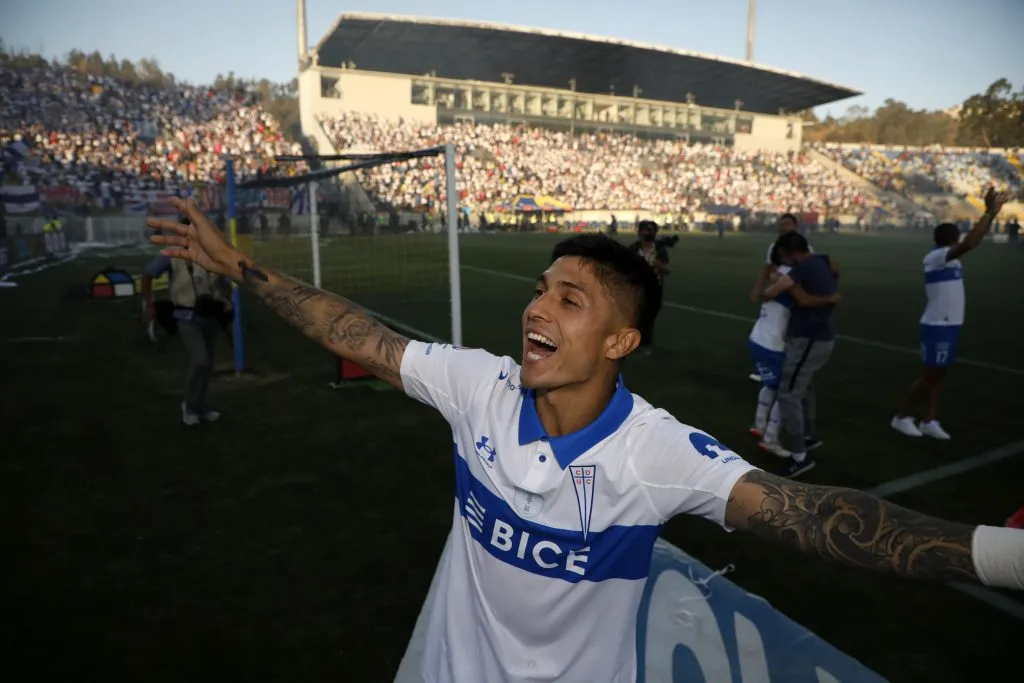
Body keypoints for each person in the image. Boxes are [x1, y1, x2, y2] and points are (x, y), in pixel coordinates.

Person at [149, 198, 1023, 683]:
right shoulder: (479, 387)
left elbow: (812, 513)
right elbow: (355, 332)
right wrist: (234, 265)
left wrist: (999, 555)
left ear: (619, 343)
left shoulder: (654, 451)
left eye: (570, 299)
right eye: (541, 288)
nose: (536, 307)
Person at [891, 187, 1009, 440]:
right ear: (953, 239)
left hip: (950, 323)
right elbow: (970, 243)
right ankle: (902, 417)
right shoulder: (936, 257)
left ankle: (929, 420)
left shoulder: (951, 260)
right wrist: (989, 213)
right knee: (930, 375)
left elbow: (968, 244)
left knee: (940, 374)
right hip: (937, 324)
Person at [758, 232, 840, 477]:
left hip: (809, 339)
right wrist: (830, 297)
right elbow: (835, 270)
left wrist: (784, 282)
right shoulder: (819, 261)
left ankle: (799, 456)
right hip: (815, 337)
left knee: (788, 394)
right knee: (804, 387)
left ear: (791, 253)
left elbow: (772, 294)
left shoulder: (802, 268)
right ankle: (809, 434)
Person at [142, 215, 233, 426]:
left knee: (208, 364)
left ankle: (201, 405)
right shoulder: (171, 255)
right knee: (200, 359)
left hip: (211, 314)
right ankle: (190, 405)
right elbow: (147, 275)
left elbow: (224, 280)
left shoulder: (212, 254)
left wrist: (226, 299)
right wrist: (149, 304)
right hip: (186, 315)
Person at [746, 213, 810, 382]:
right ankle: (766, 368)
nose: (784, 227)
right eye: (782, 224)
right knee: (773, 326)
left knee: (781, 329)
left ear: (795, 226)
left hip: (789, 290)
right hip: (780, 290)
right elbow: (767, 269)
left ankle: (777, 367)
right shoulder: (773, 247)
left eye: (788, 224)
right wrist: (757, 289)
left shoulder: (806, 248)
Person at [629, 220, 669, 355]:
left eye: (652, 230)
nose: (649, 232)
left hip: (654, 288)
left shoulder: (659, 250)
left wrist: (660, 265)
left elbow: (667, 270)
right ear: (640, 232)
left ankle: (645, 344)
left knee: (650, 317)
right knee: (635, 316)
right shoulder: (633, 249)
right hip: (636, 287)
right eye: (647, 229)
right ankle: (634, 342)